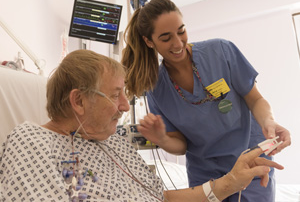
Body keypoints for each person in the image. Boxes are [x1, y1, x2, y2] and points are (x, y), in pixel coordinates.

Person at [0, 50, 283, 202]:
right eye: (114, 95)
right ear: (79, 101)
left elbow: (159, 198)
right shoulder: (32, 142)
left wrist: (228, 183)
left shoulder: (111, 141)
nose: (125, 106)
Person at [121, 0, 291, 201]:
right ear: (149, 41)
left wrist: (268, 121)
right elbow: (181, 145)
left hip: (250, 160)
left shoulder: (221, 51)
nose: (177, 43)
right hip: (205, 175)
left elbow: (255, 100)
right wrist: (163, 139)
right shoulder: (155, 87)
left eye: (181, 31)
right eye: (166, 38)